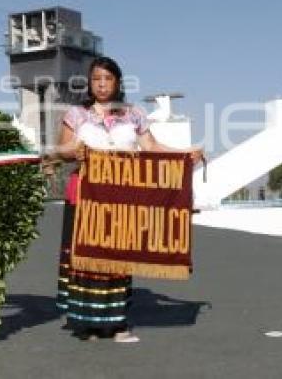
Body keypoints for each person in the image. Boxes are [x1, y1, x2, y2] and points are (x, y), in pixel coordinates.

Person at [44, 56, 203, 343]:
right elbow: (61, 149)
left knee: (118, 257)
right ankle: (85, 324)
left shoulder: (134, 114)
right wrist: (75, 151)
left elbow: (151, 147)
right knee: (86, 259)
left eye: (107, 79)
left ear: (117, 82)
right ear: (89, 83)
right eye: (96, 79)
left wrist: (184, 154)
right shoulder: (76, 114)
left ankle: (116, 324)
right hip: (84, 194)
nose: (102, 85)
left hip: (122, 199)